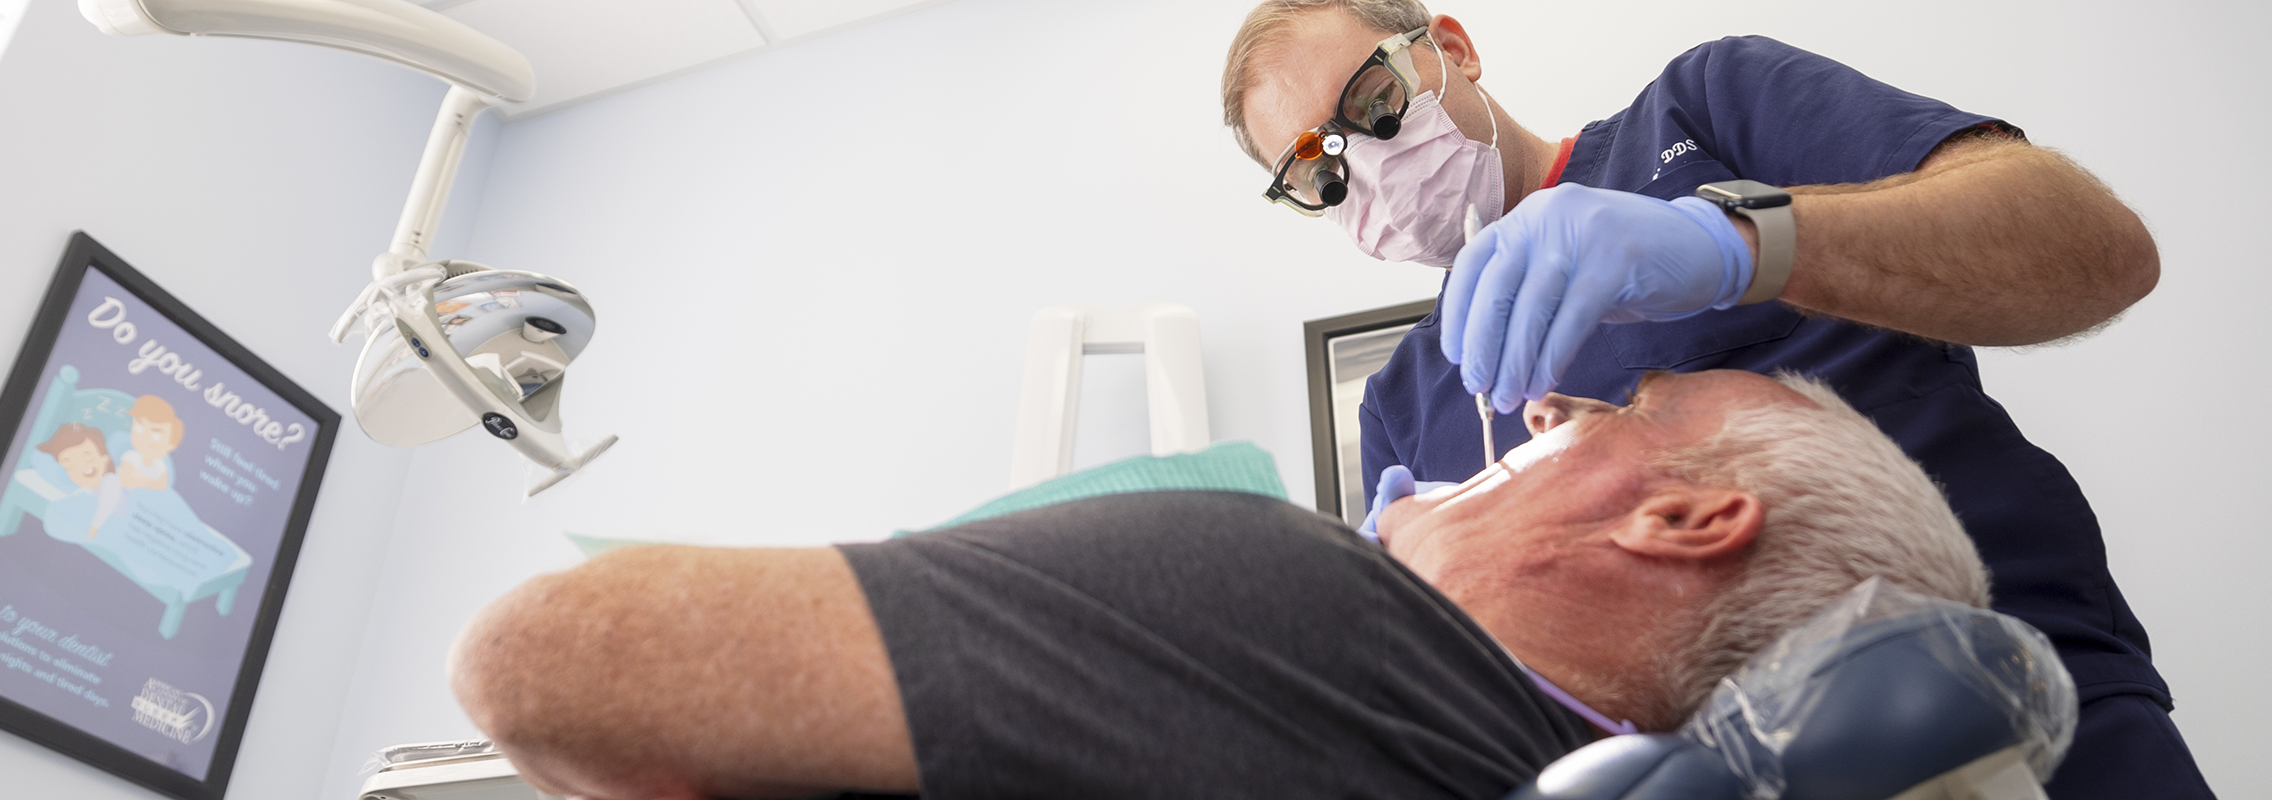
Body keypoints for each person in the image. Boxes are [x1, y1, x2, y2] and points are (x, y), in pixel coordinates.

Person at [1219, 3, 2204, 794]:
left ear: (1453, 49)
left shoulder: (1704, 110)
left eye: (1373, 101)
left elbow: (2096, 250)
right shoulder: (1405, 399)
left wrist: (1740, 246)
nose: (1365, 161)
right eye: (1318, 173)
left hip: (2017, 697)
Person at [449, 370, 1992, 800]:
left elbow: (548, 659)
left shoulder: (1307, 606)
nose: (1543, 409)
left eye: (1623, 405)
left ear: (1684, 518)